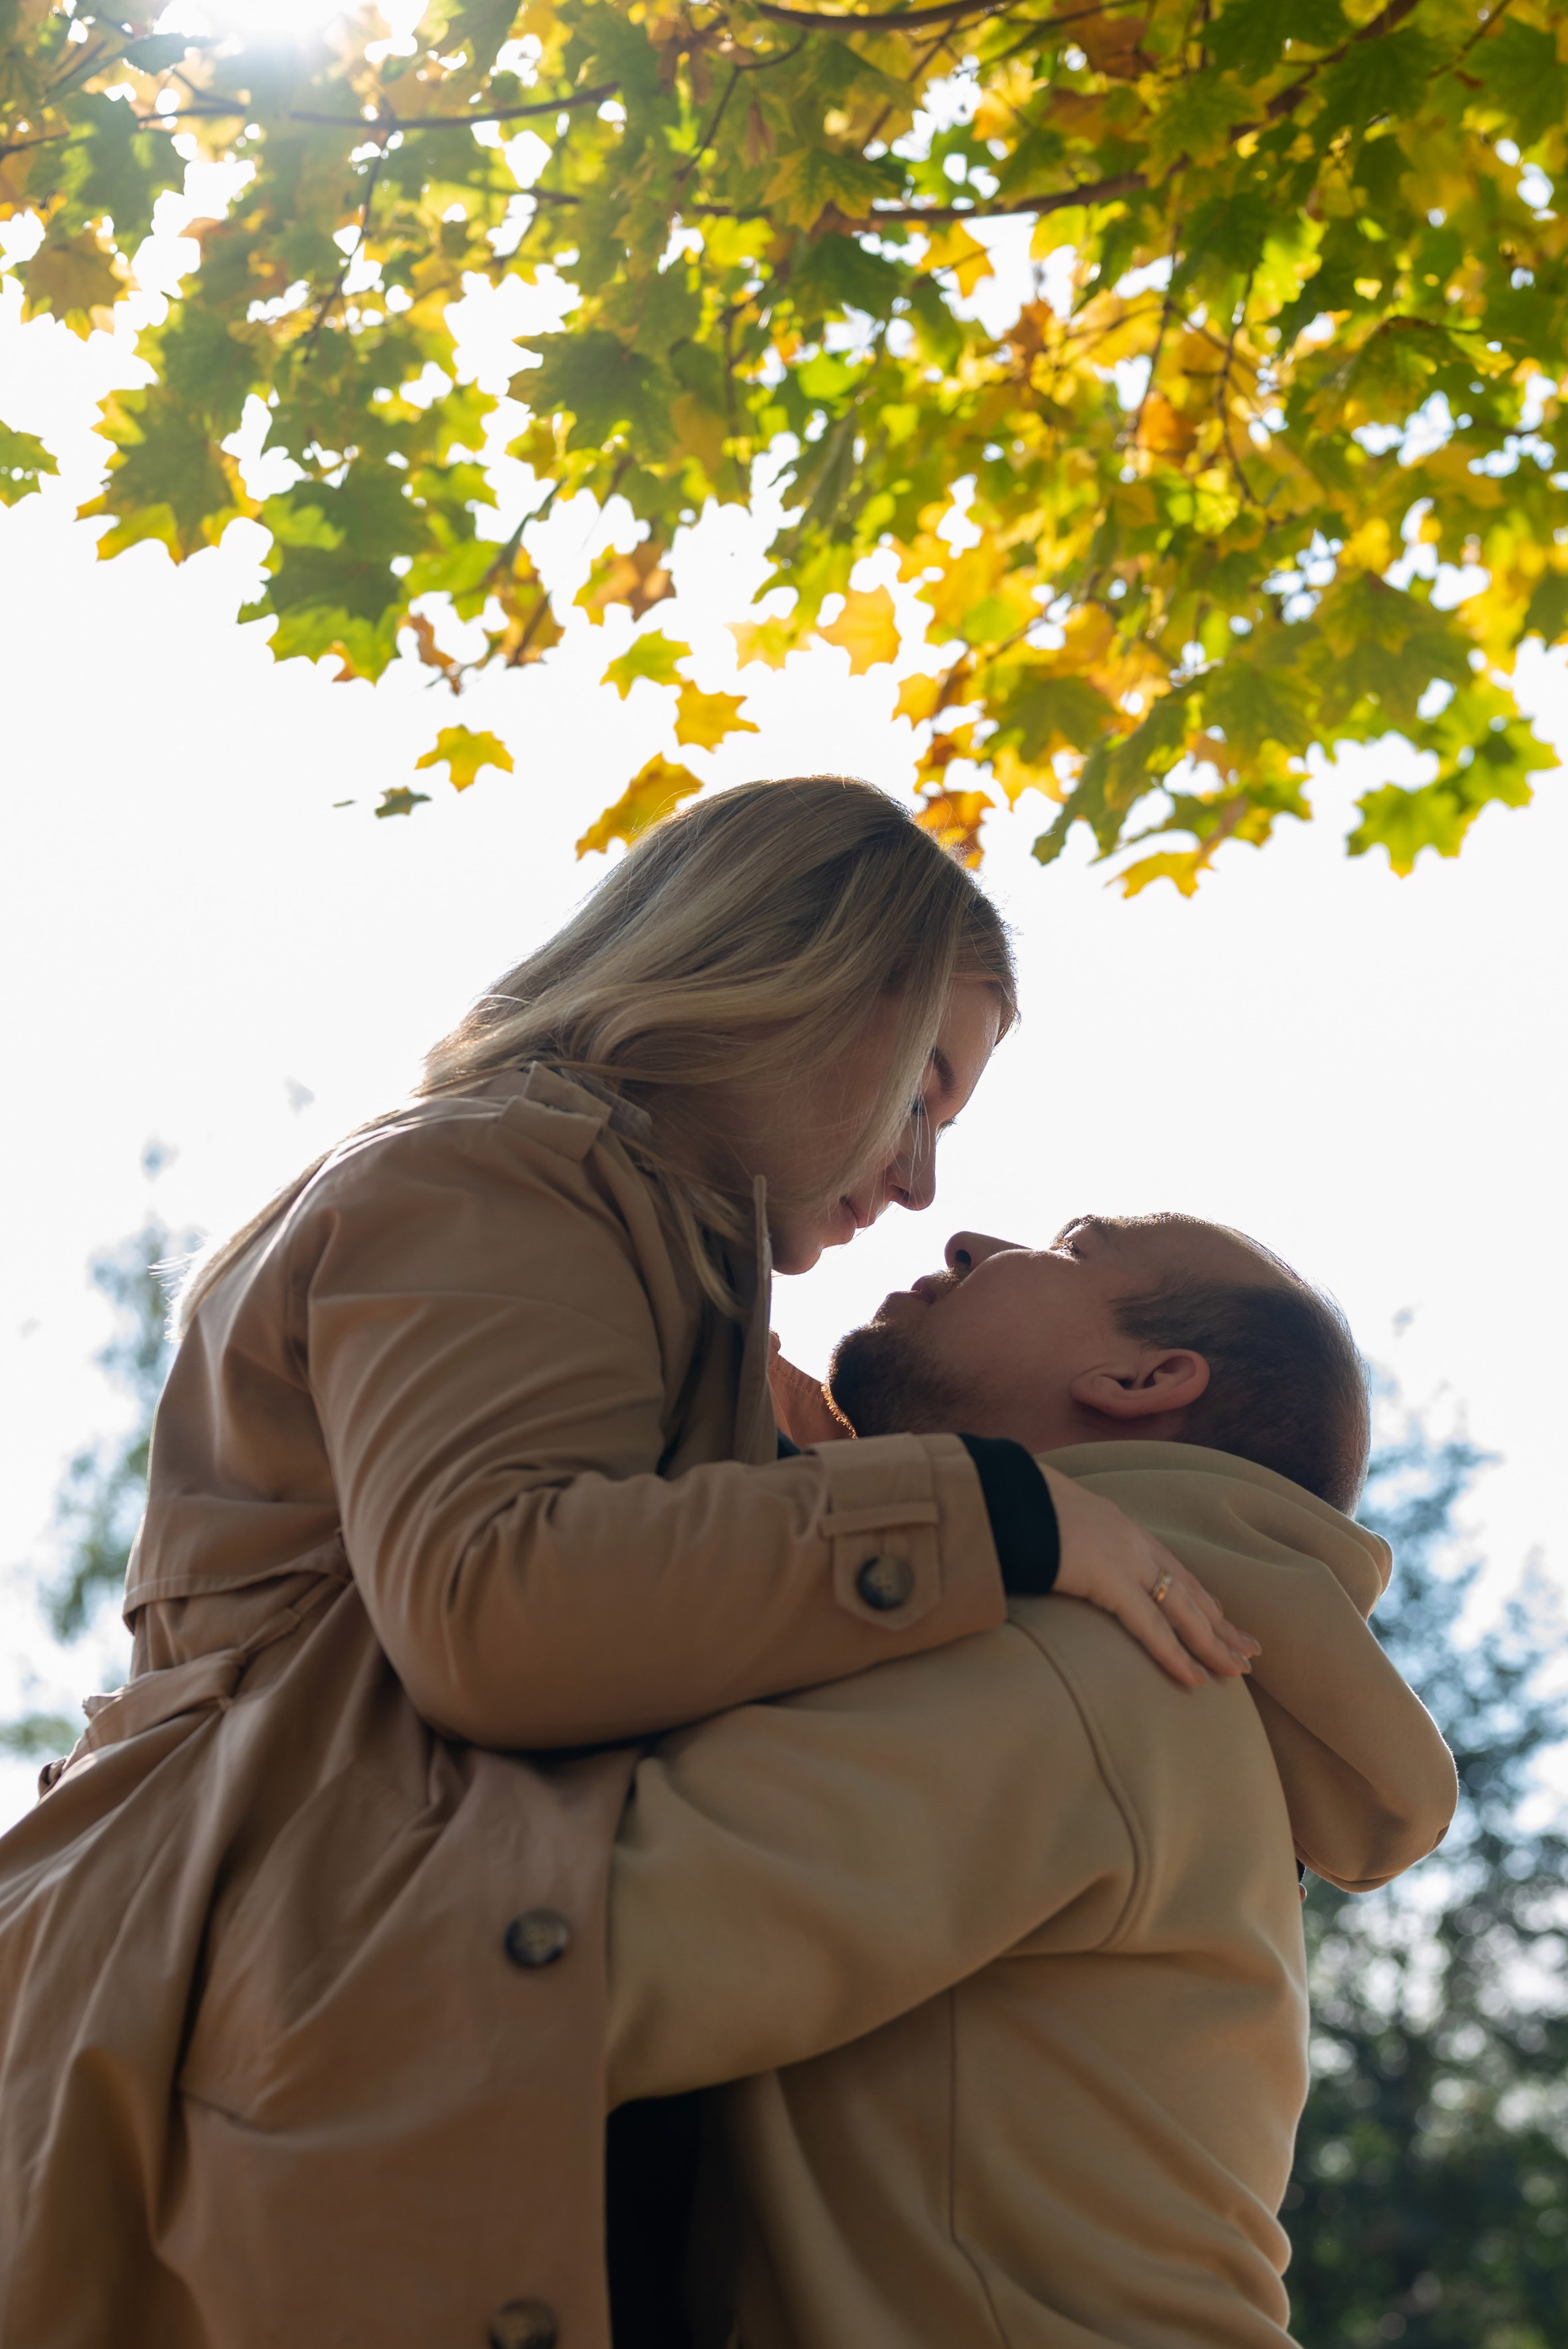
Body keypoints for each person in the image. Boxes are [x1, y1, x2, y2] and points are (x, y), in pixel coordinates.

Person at [0, 785, 1254, 2349]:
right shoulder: (491, 1177)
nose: (924, 1183)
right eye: (924, 1089)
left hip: (350, 2048)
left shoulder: (674, 1287)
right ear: (784, 976)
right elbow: (497, 1608)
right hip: (247, 2044)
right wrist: (993, 1512)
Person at [602, 1213, 1460, 2348]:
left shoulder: (1082, 1663)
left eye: (1072, 1247)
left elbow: (575, 1960)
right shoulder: (1139, 1674)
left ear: (1142, 1379)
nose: (965, 1239)